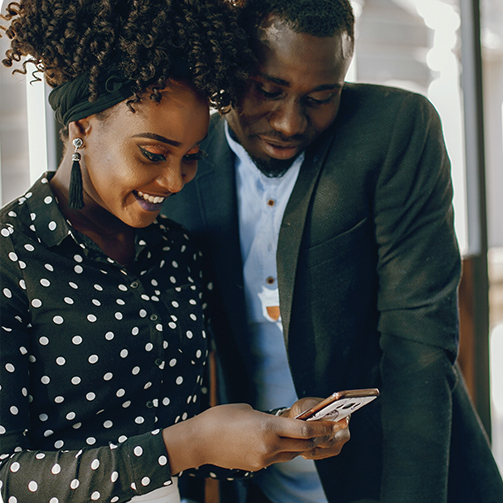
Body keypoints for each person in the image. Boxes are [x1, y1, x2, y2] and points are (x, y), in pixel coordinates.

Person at [0, 2, 351, 502]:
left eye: (190, 158)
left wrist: (274, 432)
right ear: (81, 129)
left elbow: (184, 441)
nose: (173, 182)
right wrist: (182, 448)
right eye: (152, 153)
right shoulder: (10, 256)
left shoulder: (176, 252)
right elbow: (4, 476)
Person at [162, 0, 503, 502]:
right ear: (232, 68)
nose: (289, 123)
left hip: (397, 475)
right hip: (265, 483)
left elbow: (419, 345)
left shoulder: (395, 130)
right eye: (269, 91)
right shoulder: (182, 163)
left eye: (321, 97)